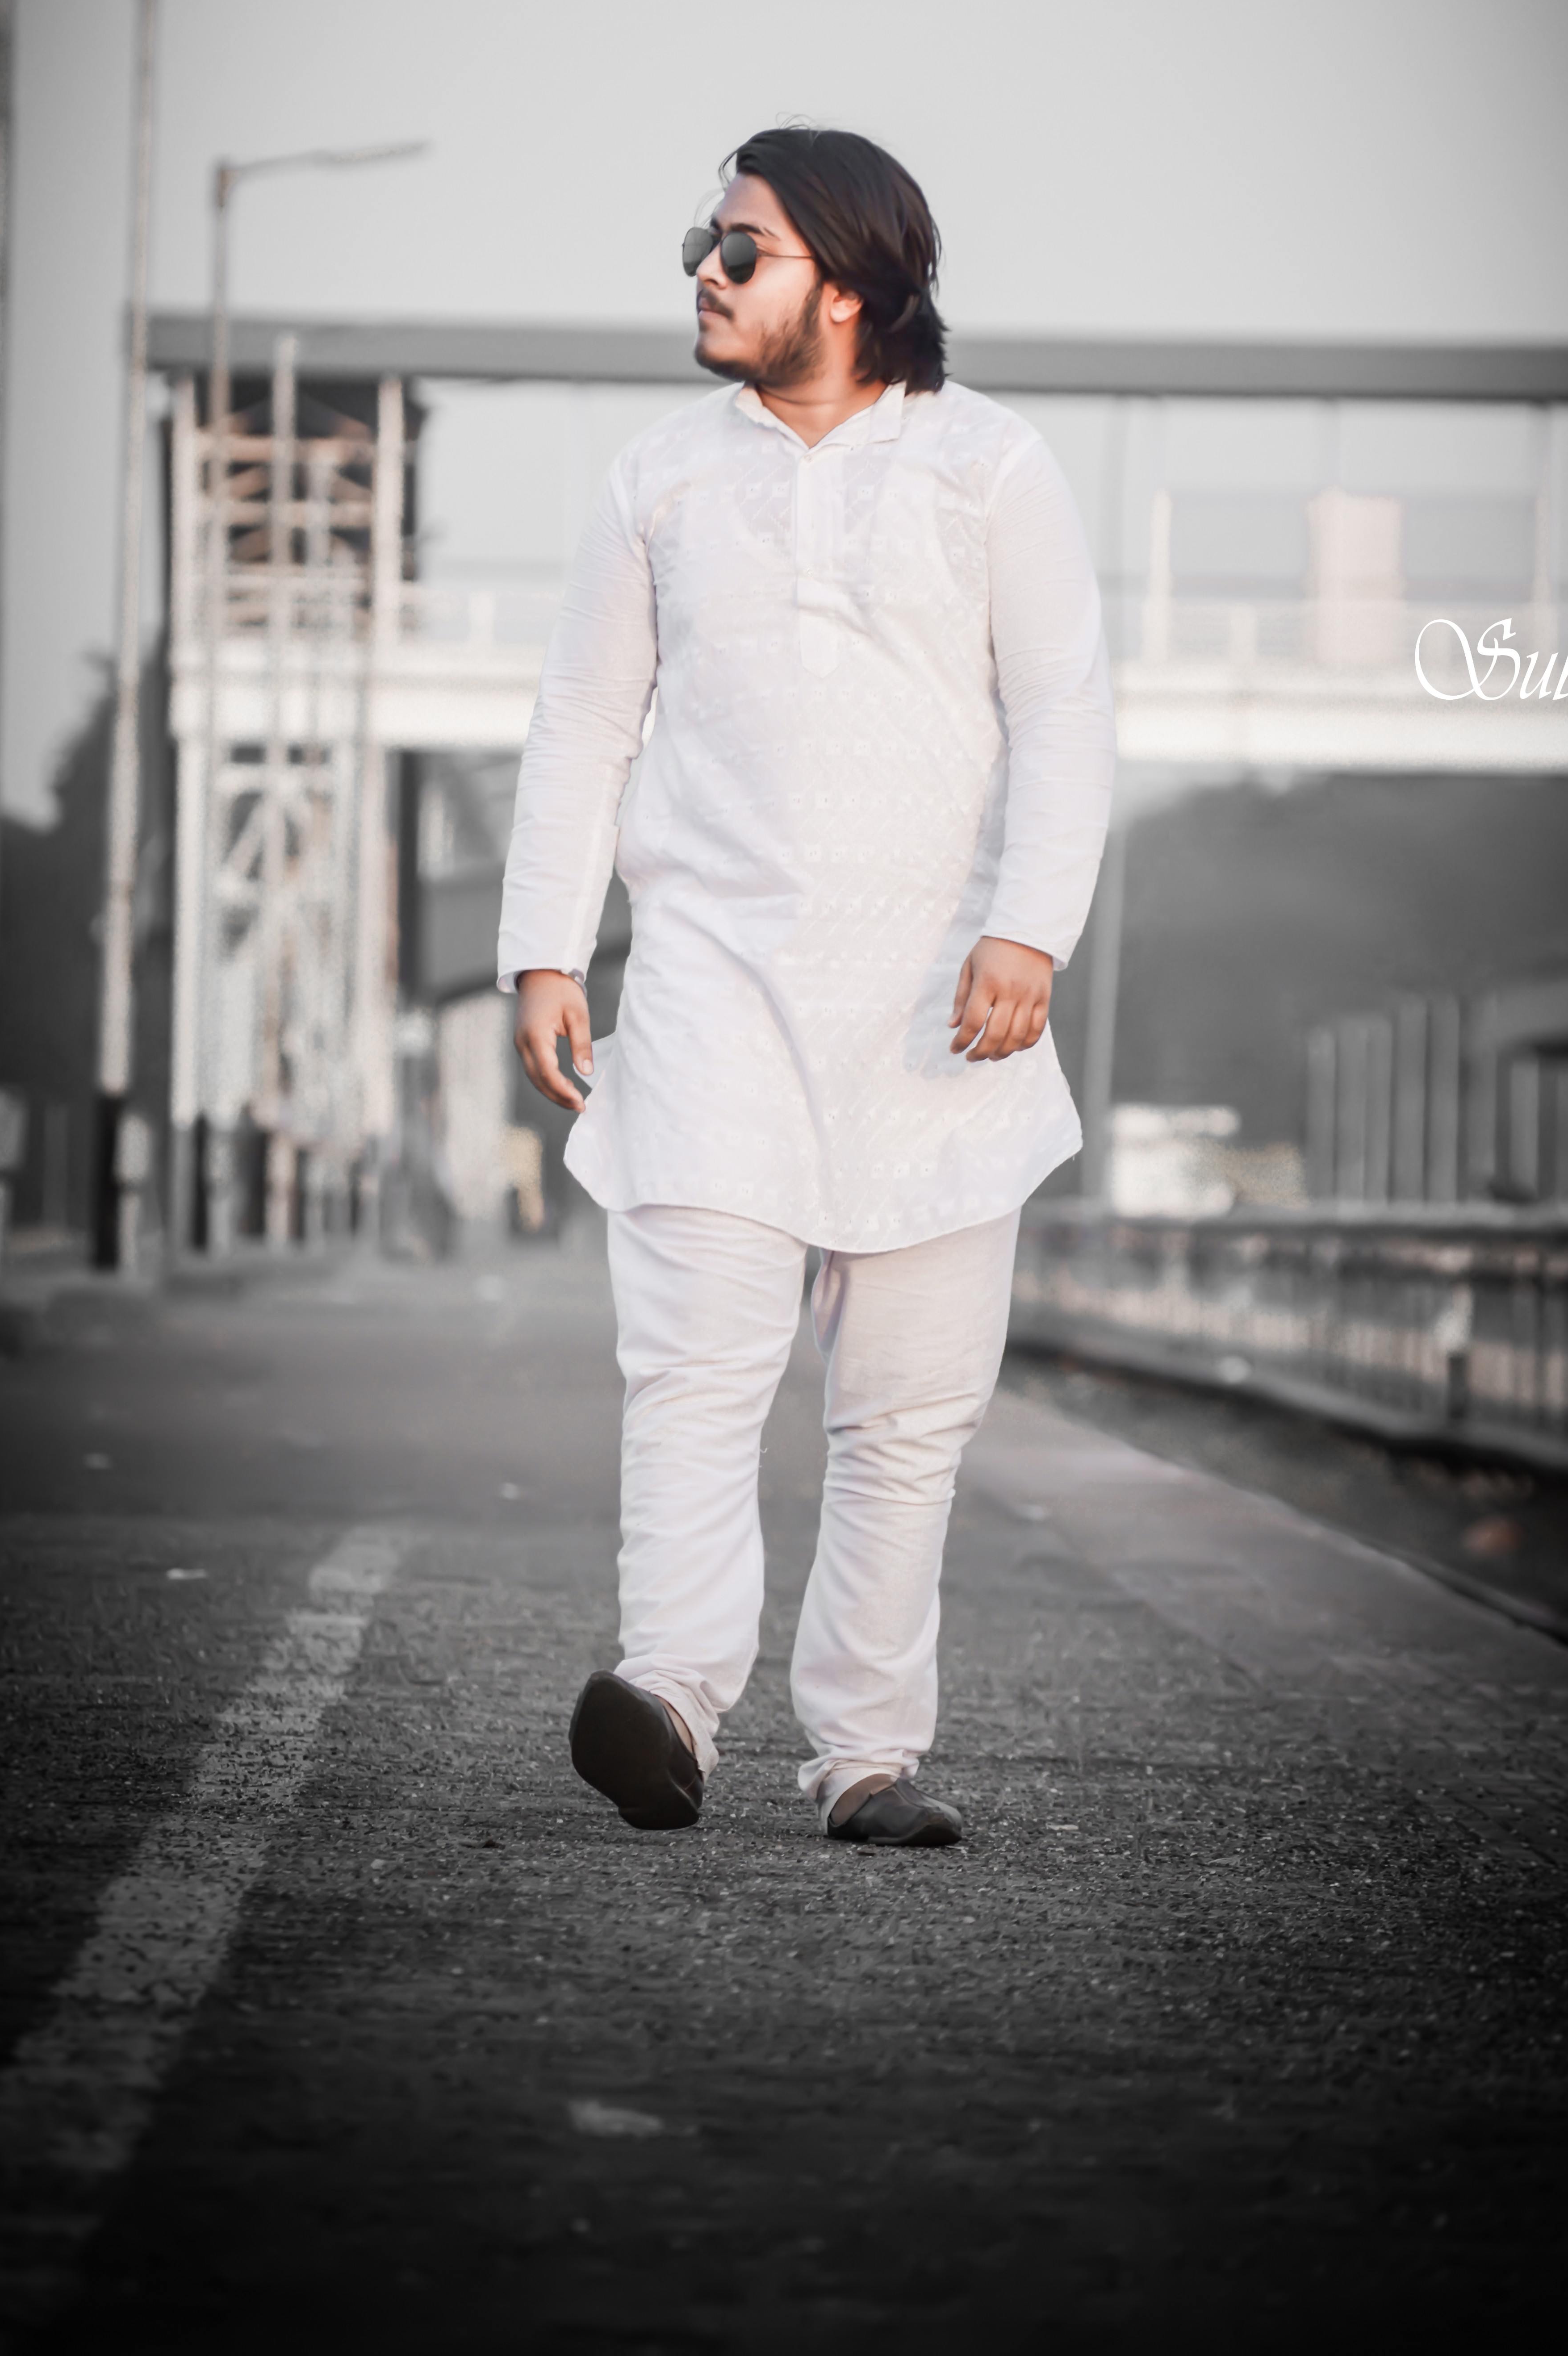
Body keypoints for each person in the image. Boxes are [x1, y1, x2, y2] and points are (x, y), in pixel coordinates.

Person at [499, 126, 1114, 1847]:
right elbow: (584, 722)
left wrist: (1031, 929)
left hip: (938, 1012)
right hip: (710, 992)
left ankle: (864, 1757)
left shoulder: (991, 468)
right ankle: (671, 1701)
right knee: (692, 1371)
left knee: (907, 1414)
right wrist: (546, 946)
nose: (702, 272)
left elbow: (1064, 710)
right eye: (704, 242)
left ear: (844, 284)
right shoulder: (660, 478)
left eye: (739, 248)